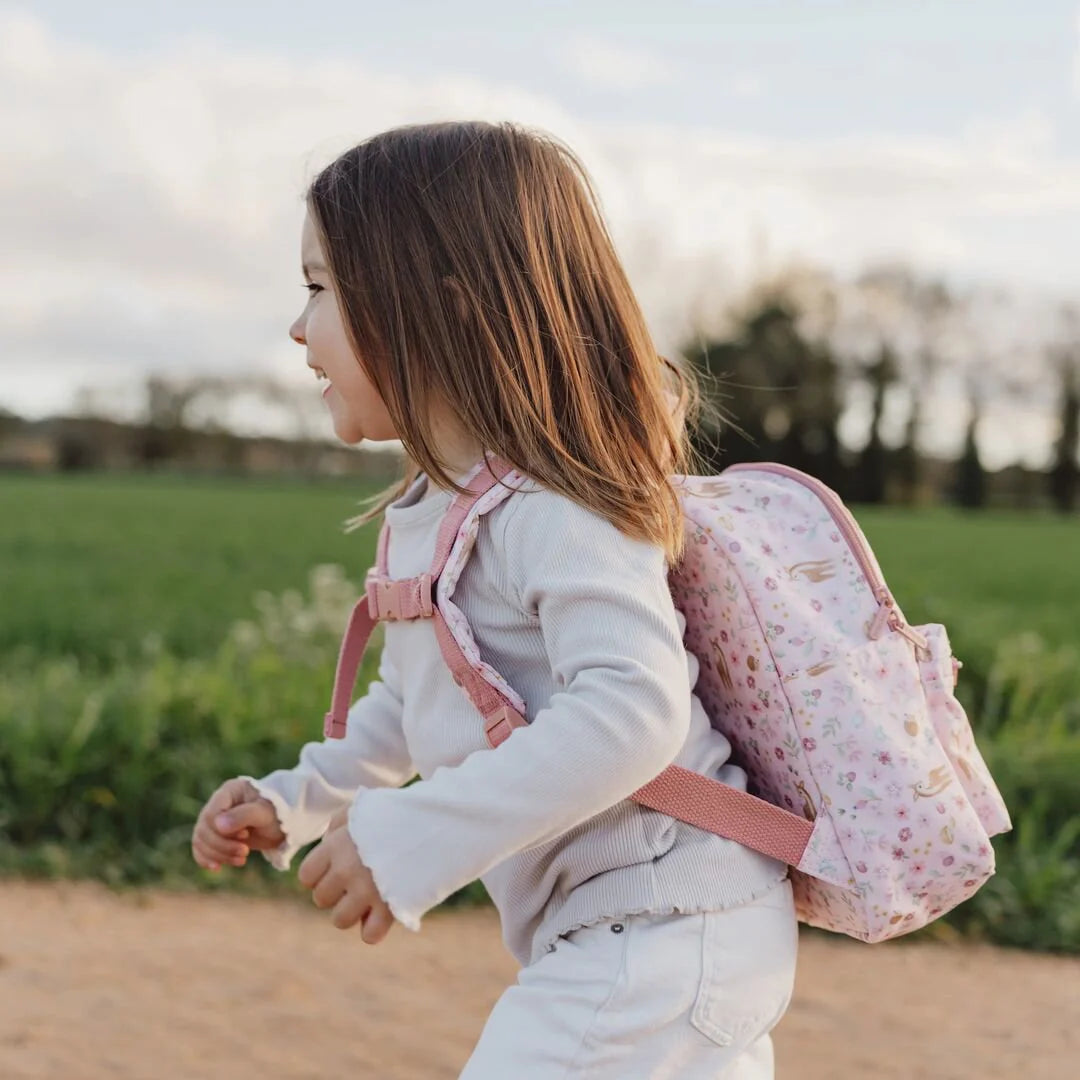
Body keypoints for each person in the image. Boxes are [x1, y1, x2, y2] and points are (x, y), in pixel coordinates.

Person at [191, 120, 798, 1078]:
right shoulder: (439, 511)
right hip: (633, 935)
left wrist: (408, 837)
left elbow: (633, 712)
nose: (297, 327)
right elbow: (412, 706)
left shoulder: (558, 509)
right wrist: (296, 802)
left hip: (667, 925)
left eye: (319, 287)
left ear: (445, 311)